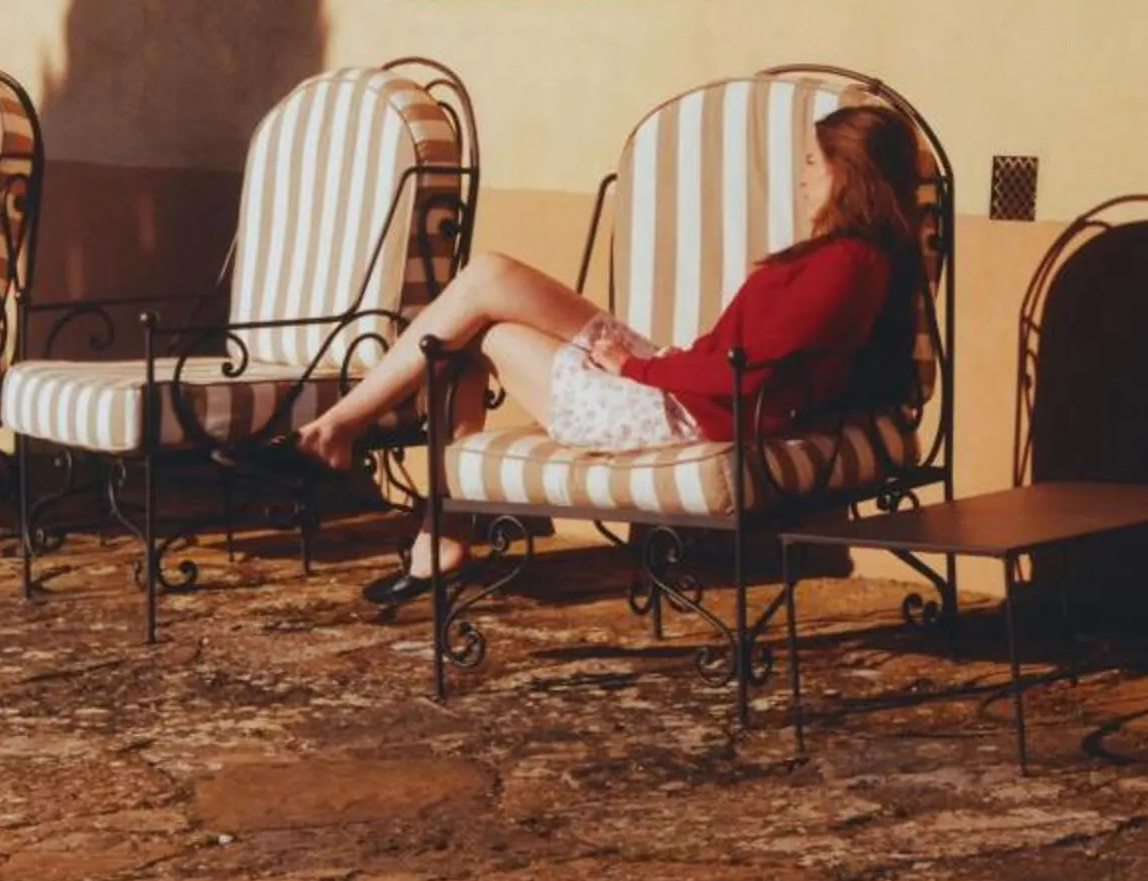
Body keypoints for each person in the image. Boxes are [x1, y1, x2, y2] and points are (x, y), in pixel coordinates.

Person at [295, 101, 926, 599]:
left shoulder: (846, 264)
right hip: (678, 390)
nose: (803, 176)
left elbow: (748, 373)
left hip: (675, 412)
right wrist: (647, 365)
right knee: (488, 276)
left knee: (481, 333)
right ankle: (403, 491)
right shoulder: (849, 260)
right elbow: (743, 361)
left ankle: (365, 449)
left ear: (852, 171)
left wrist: (637, 367)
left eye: (814, 162)